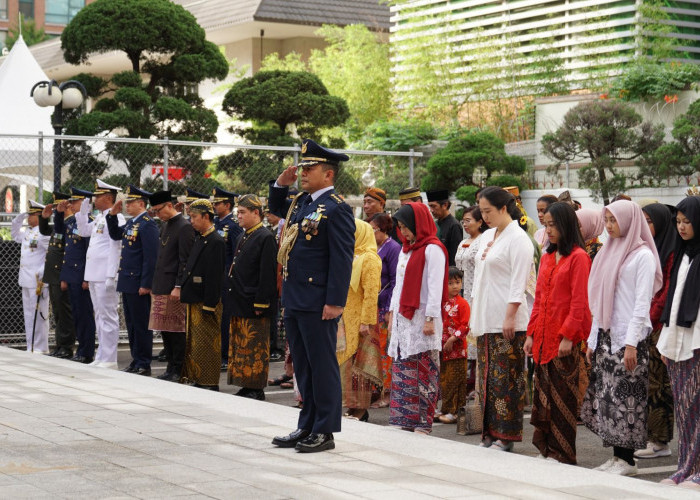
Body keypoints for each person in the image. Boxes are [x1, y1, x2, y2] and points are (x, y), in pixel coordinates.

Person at [269, 139, 355, 453]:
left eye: (310, 167)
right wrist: (280, 184)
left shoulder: (336, 208)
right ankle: (306, 423)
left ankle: (325, 429)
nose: (304, 172)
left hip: (319, 300)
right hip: (295, 297)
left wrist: (335, 301)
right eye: (303, 167)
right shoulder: (303, 203)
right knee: (304, 366)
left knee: (321, 365)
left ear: (328, 175)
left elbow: (342, 258)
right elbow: (276, 209)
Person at [582, 200, 662, 476]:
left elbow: (641, 304)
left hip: (630, 339)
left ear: (629, 220)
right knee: (609, 399)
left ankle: (628, 460)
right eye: (606, 220)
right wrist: (593, 340)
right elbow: (599, 299)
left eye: (614, 220)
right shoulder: (609, 251)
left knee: (629, 399)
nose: (609, 225)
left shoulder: (643, 256)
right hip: (607, 335)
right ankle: (616, 457)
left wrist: (631, 344)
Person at [524, 201, 592, 464]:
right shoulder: (547, 256)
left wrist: (568, 336)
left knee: (562, 398)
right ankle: (548, 448)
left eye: (553, 225)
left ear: (566, 225)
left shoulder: (579, 257)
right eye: (546, 225)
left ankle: (563, 452)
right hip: (541, 338)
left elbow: (579, 302)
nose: (549, 230)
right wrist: (530, 334)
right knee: (544, 396)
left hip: (563, 340)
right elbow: (540, 298)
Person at [470, 186, 533, 451]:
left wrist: (510, 317)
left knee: (506, 380)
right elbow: (479, 280)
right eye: (481, 212)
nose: (484, 217)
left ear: (504, 208)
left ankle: (505, 437)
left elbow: (519, 282)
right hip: (486, 317)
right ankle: (488, 433)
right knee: (486, 380)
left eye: (488, 211)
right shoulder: (486, 237)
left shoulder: (518, 239)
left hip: (508, 321)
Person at [387, 202, 448, 434]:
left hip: (423, 316)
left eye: (406, 227)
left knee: (425, 368)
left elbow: (435, 287)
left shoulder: (433, 249)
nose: (403, 232)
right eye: (400, 227)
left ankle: (424, 421)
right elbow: (398, 285)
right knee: (404, 366)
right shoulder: (406, 250)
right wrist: (393, 313)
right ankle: (406, 416)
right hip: (404, 317)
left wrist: (431, 318)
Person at [656, 196, 700, 489]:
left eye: (688, 222)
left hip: (696, 342)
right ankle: (685, 466)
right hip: (677, 341)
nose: (682, 227)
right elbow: (673, 302)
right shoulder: (683, 254)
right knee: (684, 410)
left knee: (697, 408)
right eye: (679, 222)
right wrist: (665, 340)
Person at [226, 194, 278, 401]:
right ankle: (245, 383)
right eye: (238, 212)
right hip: (240, 298)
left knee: (255, 346)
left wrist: (261, 301)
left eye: (242, 212)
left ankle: (256, 386)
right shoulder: (245, 235)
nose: (238, 216)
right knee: (241, 345)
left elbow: (267, 273)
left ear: (256, 213)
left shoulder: (264, 237)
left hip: (253, 301)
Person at [637, 203, 677, 460]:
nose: (646, 227)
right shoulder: (648, 249)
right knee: (649, 384)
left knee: (658, 385)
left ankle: (660, 441)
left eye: (649, 221)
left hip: (660, 326)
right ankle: (652, 437)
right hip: (646, 325)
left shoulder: (671, 251)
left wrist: (648, 318)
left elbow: (665, 293)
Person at [106, 186, 159, 376]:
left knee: (141, 323)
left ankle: (144, 362)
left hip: (138, 283)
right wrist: (112, 215)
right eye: (126, 202)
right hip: (127, 281)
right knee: (131, 323)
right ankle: (136, 360)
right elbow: (115, 234)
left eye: (131, 202)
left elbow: (151, 258)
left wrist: (146, 284)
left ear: (141, 204)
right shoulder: (132, 223)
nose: (127, 205)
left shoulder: (147, 224)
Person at [76, 179, 125, 369]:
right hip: (94, 274)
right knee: (99, 316)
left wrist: (111, 275)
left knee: (108, 316)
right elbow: (83, 231)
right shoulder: (99, 218)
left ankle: (110, 358)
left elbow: (116, 248)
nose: (94, 198)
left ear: (107, 197)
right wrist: (82, 212)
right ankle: (102, 354)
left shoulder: (116, 218)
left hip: (105, 275)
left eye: (97, 196)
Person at [337, 219, 382, 422]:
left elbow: (372, 293)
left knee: (360, 366)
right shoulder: (350, 256)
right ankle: (351, 405)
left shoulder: (370, 259)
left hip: (362, 321)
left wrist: (366, 321)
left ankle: (361, 409)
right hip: (346, 317)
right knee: (346, 363)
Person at [179, 199, 226, 390]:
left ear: (206, 217)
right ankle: (197, 376)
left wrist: (210, 304)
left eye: (194, 217)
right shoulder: (201, 237)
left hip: (205, 301)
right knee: (195, 343)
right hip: (194, 298)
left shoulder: (215, 240)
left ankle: (208, 380)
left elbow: (214, 276)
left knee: (206, 343)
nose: (191, 221)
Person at [148, 190, 194, 382]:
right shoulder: (166, 225)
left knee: (176, 330)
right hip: (161, 284)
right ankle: (170, 367)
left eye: (159, 210)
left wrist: (178, 286)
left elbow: (185, 260)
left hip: (173, 287)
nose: (157, 214)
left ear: (169, 205)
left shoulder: (183, 227)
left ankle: (178, 368)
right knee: (164, 329)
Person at [59, 188, 96, 363]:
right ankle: (81, 349)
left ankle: (86, 351)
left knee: (84, 315)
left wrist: (86, 278)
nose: (71, 205)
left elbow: (89, 253)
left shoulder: (90, 223)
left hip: (81, 276)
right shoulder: (73, 222)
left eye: (74, 202)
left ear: (84, 203)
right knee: (77, 315)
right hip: (72, 275)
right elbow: (64, 242)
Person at [369, 213, 401, 409]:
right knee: (373, 350)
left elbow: (396, 280)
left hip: (384, 306)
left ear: (383, 230)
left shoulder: (393, 248)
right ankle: (375, 388)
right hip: (371, 305)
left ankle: (388, 393)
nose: (371, 233)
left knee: (385, 351)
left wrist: (390, 308)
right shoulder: (372, 247)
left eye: (373, 229)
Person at [38, 193, 75, 358]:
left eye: (59, 207)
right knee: (58, 312)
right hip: (53, 275)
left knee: (64, 312)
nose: (56, 210)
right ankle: (60, 345)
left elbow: (69, 253)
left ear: (67, 206)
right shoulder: (61, 225)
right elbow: (45, 230)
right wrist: (44, 218)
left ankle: (66, 347)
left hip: (61, 274)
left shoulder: (70, 225)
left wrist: (65, 276)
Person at [11, 200, 51, 353]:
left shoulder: (43, 232)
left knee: (39, 315)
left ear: (40, 215)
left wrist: (42, 271)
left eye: (32, 215)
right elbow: (14, 234)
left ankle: (40, 347)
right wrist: (19, 218)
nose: (29, 218)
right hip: (26, 279)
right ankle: (31, 345)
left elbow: (50, 254)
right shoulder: (28, 232)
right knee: (28, 315)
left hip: (37, 280)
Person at [212, 187, 243, 372]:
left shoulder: (232, 224)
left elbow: (236, 253)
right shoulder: (215, 222)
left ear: (227, 205)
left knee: (225, 318)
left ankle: (226, 355)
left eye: (218, 203)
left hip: (226, 277)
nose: (215, 206)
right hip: (215, 276)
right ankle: (218, 352)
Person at [438, 267, 470, 424]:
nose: (455, 286)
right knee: (444, 380)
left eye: (457, 282)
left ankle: (455, 411)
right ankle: (445, 408)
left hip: (457, 350)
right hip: (444, 350)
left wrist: (453, 338)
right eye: (450, 283)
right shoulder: (442, 303)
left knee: (456, 380)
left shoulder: (462, 304)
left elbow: (465, 326)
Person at [455, 206, 488, 307]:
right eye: (463, 221)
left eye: (468, 221)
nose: (465, 224)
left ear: (480, 222)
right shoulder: (462, 242)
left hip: (477, 290)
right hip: (460, 291)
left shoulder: (484, 240)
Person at [427, 189, 463, 266]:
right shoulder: (434, 224)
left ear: (445, 205)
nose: (431, 210)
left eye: (433, 206)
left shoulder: (454, 225)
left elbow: (455, 255)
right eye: (430, 206)